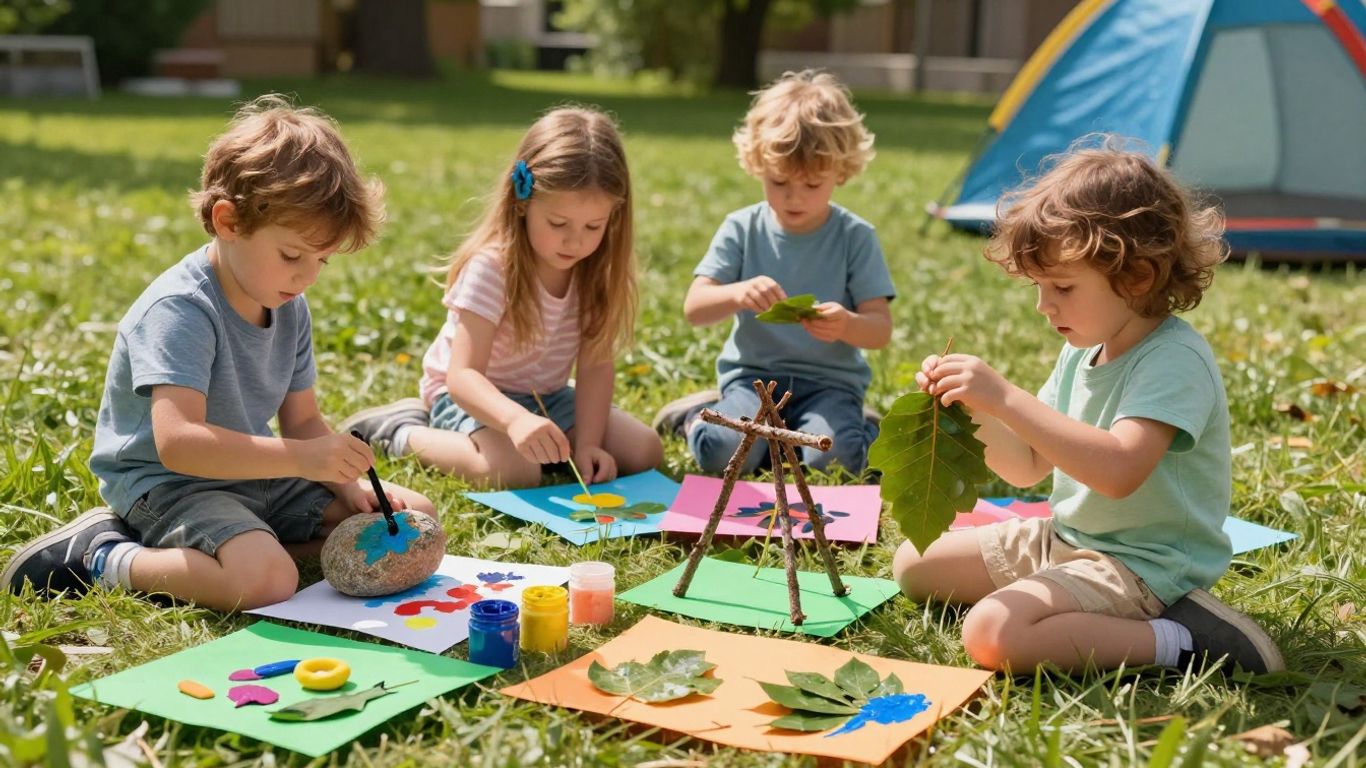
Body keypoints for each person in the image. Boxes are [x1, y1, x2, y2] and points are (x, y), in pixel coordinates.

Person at [3, 96, 435, 611]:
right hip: (171, 484)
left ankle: (253, 548)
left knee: (412, 518)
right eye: (293, 255)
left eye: (321, 260)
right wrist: (304, 458)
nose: (308, 277)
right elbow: (179, 445)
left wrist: (343, 485)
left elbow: (301, 421)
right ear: (228, 222)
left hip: (253, 472)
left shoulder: (287, 302)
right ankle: (102, 555)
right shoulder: (181, 310)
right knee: (267, 583)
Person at [894, 139, 1283, 674]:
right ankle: (1070, 606)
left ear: (1137, 277)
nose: (1043, 305)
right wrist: (976, 405)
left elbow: (1120, 470)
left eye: (1062, 286)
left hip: (1147, 565)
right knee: (915, 564)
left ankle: (1181, 639)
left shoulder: (1173, 358)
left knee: (991, 634)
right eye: (1038, 286)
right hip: (1067, 539)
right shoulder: (1085, 349)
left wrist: (1008, 396)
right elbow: (1027, 466)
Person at [342, 107, 662, 489]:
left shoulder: (595, 272)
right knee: (516, 471)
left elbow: (595, 366)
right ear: (523, 202)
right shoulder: (493, 268)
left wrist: (588, 444)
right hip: (472, 398)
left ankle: (548, 441)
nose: (575, 241)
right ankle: (398, 432)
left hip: (547, 399)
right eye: (558, 224)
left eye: (593, 226)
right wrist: (514, 420)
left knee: (644, 451)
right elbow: (463, 376)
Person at [652, 70, 894, 476]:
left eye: (813, 184)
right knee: (722, 455)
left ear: (841, 171)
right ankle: (696, 416)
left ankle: (858, 425)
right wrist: (737, 293)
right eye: (779, 181)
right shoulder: (742, 228)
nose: (794, 197)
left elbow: (880, 330)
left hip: (829, 385)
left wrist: (847, 324)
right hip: (754, 380)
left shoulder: (856, 237)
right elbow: (695, 308)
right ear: (757, 164)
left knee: (835, 461)